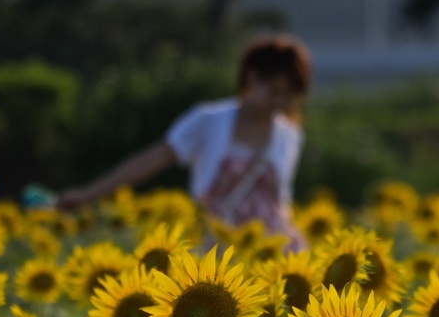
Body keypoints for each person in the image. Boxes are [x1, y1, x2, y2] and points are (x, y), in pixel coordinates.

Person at [56, 35, 311, 251]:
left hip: (272, 248)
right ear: (252, 77)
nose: (280, 103)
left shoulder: (289, 135)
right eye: (275, 92)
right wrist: (88, 194)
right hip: (216, 244)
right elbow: (151, 160)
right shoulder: (209, 120)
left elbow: (280, 201)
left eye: (289, 96)